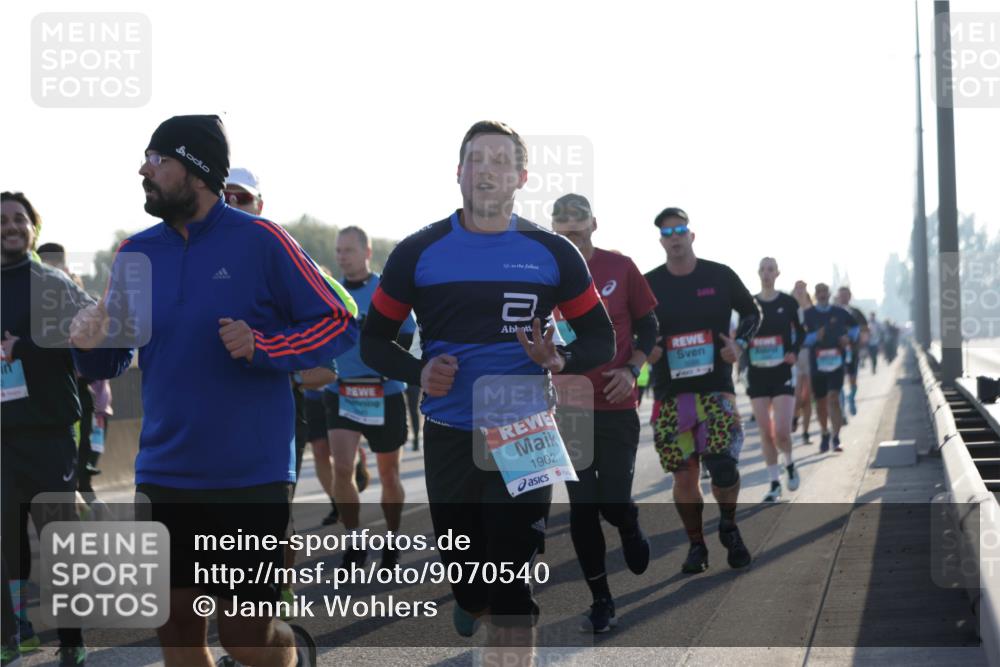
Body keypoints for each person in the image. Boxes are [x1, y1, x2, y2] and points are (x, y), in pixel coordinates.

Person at [69, 116, 359, 667]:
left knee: (245, 639)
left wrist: (265, 345)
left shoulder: (263, 240)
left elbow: (340, 319)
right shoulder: (136, 253)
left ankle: (295, 651)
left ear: (196, 171)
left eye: (156, 159)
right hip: (164, 475)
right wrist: (89, 344)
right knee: (177, 633)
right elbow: (113, 356)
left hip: (249, 477)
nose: (142, 170)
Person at [361, 121, 614, 661]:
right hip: (450, 433)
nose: (488, 170)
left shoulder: (553, 253)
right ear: (459, 173)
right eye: (477, 159)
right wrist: (418, 372)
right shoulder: (417, 252)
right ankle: (468, 597)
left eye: (502, 161)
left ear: (522, 177)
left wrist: (559, 358)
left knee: (512, 588)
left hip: (524, 429)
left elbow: (601, 336)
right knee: (471, 580)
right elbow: (373, 341)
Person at [221, 170, 362, 531]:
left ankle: (281, 589)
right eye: (226, 197)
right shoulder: (190, 253)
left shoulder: (288, 263)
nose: (234, 205)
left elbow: (332, 352)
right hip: (211, 418)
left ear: (261, 204)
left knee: (276, 517)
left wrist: (280, 369)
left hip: (275, 414)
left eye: (243, 198)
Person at [550, 194, 658, 633]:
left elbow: (649, 326)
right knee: (582, 507)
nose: (572, 239)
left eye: (578, 231)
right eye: (563, 233)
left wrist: (633, 369)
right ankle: (601, 598)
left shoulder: (621, 267)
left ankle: (629, 525)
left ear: (594, 225)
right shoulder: (544, 275)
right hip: (570, 408)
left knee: (613, 501)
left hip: (616, 403)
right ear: (554, 231)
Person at [643, 207, 761, 574]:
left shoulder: (719, 275)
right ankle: (697, 545)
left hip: (716, 390)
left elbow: (752, 312)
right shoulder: (649, 284)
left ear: (691, 235)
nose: (674, 237)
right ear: (661, 240)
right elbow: (628, 324)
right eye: (667, 232)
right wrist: (646, 346)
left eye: (680, 229)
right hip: (670, 395)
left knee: (724, 467)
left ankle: (728, 524)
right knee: (684, 474)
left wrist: (739, 343)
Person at [2, 192, 91, 666]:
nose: (10, 227)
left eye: (18, 219)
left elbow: (95, 327)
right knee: (5, 543)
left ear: (32, 228)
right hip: (1, 437)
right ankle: (13, 634)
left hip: (50, 432)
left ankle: (72, 638)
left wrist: (27, 347)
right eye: (1, 220)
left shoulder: (52, 283)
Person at [325, 225, 416, 570]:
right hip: (343, 389)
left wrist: (389, 365)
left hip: (386, 390)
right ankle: (354, 541)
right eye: (338, 251)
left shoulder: (385, 289)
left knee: (389, 475)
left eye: (348, 250)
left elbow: (407, 335)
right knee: (343, 467)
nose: (342, 257)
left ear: (366, 252)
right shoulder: (331, 293)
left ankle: (392, 539)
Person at [747, 259, 805, 502]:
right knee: (765, 431)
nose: (767, 273)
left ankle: (790, 464)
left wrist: (793, 350)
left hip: (782, 371)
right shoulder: (749, 303)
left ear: (777, 273)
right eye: (763, 269)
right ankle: (773, 483)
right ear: (758, 273)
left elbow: (801, 331)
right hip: (757, 373)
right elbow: (740, 331)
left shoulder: (788, 302)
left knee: (781, 431)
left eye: (771, 269)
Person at [801, 283, 859, 453]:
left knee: (834, 397)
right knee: (820, 402)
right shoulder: (808, 314)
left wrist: (848, 338)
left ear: (829, 293)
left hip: (836, 362)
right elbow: (800, 337)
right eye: (818, 292)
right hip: (817, 363)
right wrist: (813, 337)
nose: (822, 295)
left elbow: (855, 327)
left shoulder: (840, 312)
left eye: (825, 291)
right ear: (815, 295)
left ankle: (836, 437)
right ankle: (824, 432)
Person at [835, 287, 868, 419]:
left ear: (850, 296)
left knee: (853, 379)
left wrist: (860, 340)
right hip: (837, 351)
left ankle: (851, 398)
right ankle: (841, 409)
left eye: (846, 295)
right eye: (841, 295)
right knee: (839, 381)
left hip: (853, 350)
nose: (843, 297)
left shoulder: (856, 312)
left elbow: (865, 329)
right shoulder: (834, 311)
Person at [791, 280, 814, 443]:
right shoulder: (789, 310)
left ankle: (806, 432)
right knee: (797, 395)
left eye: (802, 288)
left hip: (810, 354)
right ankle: (794, 416)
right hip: (795, 356)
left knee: (808, 396)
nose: (799, 291)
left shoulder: (812, 312)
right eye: (797, 288)